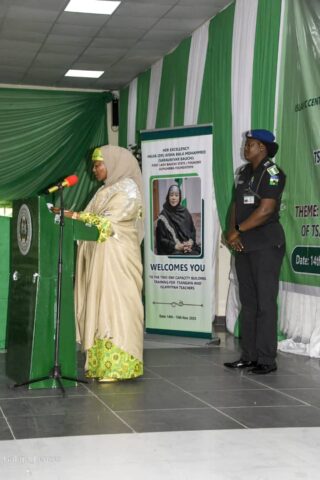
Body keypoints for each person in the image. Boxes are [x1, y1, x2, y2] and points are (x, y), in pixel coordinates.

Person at [53, 145, 144, 382]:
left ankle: (119, 367)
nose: (94, 169)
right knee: (100, 306)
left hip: (118, 259)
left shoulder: (128, 189)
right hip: (101, 257)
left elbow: (109, 222)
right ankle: (101, 365)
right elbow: (89, 221)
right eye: (94, 164)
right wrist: (72, 217)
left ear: (114, 163)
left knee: (115, 308)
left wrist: (73, 215)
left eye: (98, 164)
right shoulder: (105, 190)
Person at [224, 129, 286, 375]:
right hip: (244, 245)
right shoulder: (242, 173)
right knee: (248, 303)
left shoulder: (273, 173)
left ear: (262, 147)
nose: (245, 147)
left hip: (266, 245)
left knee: (265, 303)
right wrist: (232, 232)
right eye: (246, 143)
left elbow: (266, 210)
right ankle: (249, 356)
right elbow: (235, 205)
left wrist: (237, 230)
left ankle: (266, 359)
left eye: (250, 144)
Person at [156, 184, 201, 255]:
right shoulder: (163, 215)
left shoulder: (185, 212)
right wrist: (176, 246)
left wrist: (190, 242)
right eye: (171, 195)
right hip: (172, 249)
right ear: (168, 197)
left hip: (188, 247)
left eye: (176, 195)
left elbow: (192, 231)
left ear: (179, 197)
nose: (174, 198)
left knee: (197, 253)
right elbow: (161, 239)